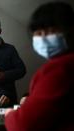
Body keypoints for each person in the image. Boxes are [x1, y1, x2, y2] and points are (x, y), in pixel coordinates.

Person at [5, 2, 74, 131]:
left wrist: (9, 115)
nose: (43, 38)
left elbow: (23, 125)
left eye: (51, 31)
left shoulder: (60, 68)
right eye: (38, 33)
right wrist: (33, 100)